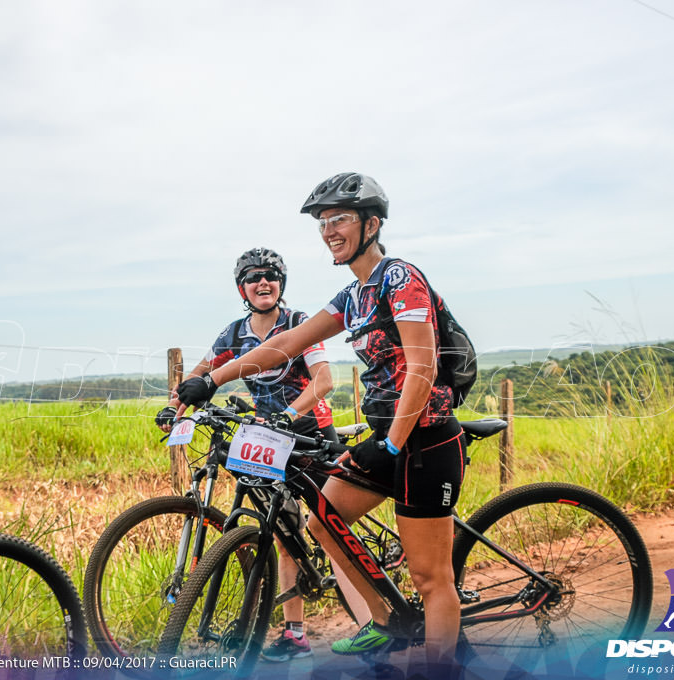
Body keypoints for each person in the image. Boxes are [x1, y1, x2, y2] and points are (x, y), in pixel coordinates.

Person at [175, 173, 468, 675]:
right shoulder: (352, 295)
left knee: (430, 577)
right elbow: (284, 346)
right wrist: (212, 380)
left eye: (341, 220)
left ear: (372, 224)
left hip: (424, 441)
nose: (330, 230)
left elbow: (423, 367)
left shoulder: (400, 279)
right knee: (322, 522)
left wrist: (394, 444)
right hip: (387, 441)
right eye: (323, 222)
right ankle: (382, 619)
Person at [157, 247, 369, 662]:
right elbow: (200, 375)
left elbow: (323, 381)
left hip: (309, 433)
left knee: (331, 527)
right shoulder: (234, 335)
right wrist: (174, 406)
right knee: (284, 532)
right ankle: (295, 633)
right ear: (243, 288)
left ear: (281, 283)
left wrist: (290, 415)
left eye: (271, 275)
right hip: (268, 440)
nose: (263, 282)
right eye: (254, 277)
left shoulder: (298, 323)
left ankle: (371, 623)